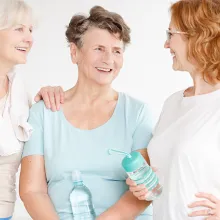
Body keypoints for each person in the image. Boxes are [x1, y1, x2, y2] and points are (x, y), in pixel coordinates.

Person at [19, 6, 154, 220]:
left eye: (117, 50)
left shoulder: (137, 113)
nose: (109, 59)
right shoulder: (44, 112)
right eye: (99, 48)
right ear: (74, 52)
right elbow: (32, 190)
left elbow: (145, 191)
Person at [126, 0, 220, 219]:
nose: (166, 45)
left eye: (171, 34)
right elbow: (173, 181)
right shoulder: (173, 103)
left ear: (197, 36)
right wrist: (146, 188)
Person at [0, 0, 64, 219]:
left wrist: (49, 94)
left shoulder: (18, 90)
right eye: (19, 29)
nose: (29, 38)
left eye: (30, 30)